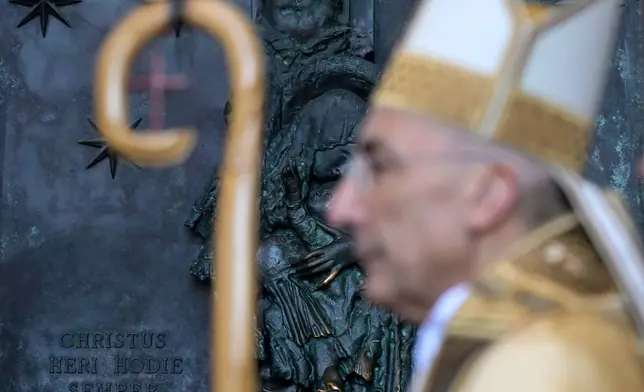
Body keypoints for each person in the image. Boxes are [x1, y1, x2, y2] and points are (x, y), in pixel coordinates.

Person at [320, 0, 644, 390]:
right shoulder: (516, 350)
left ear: (487, 195)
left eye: (381, 167)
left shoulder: (541, 368)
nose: (340, 209)